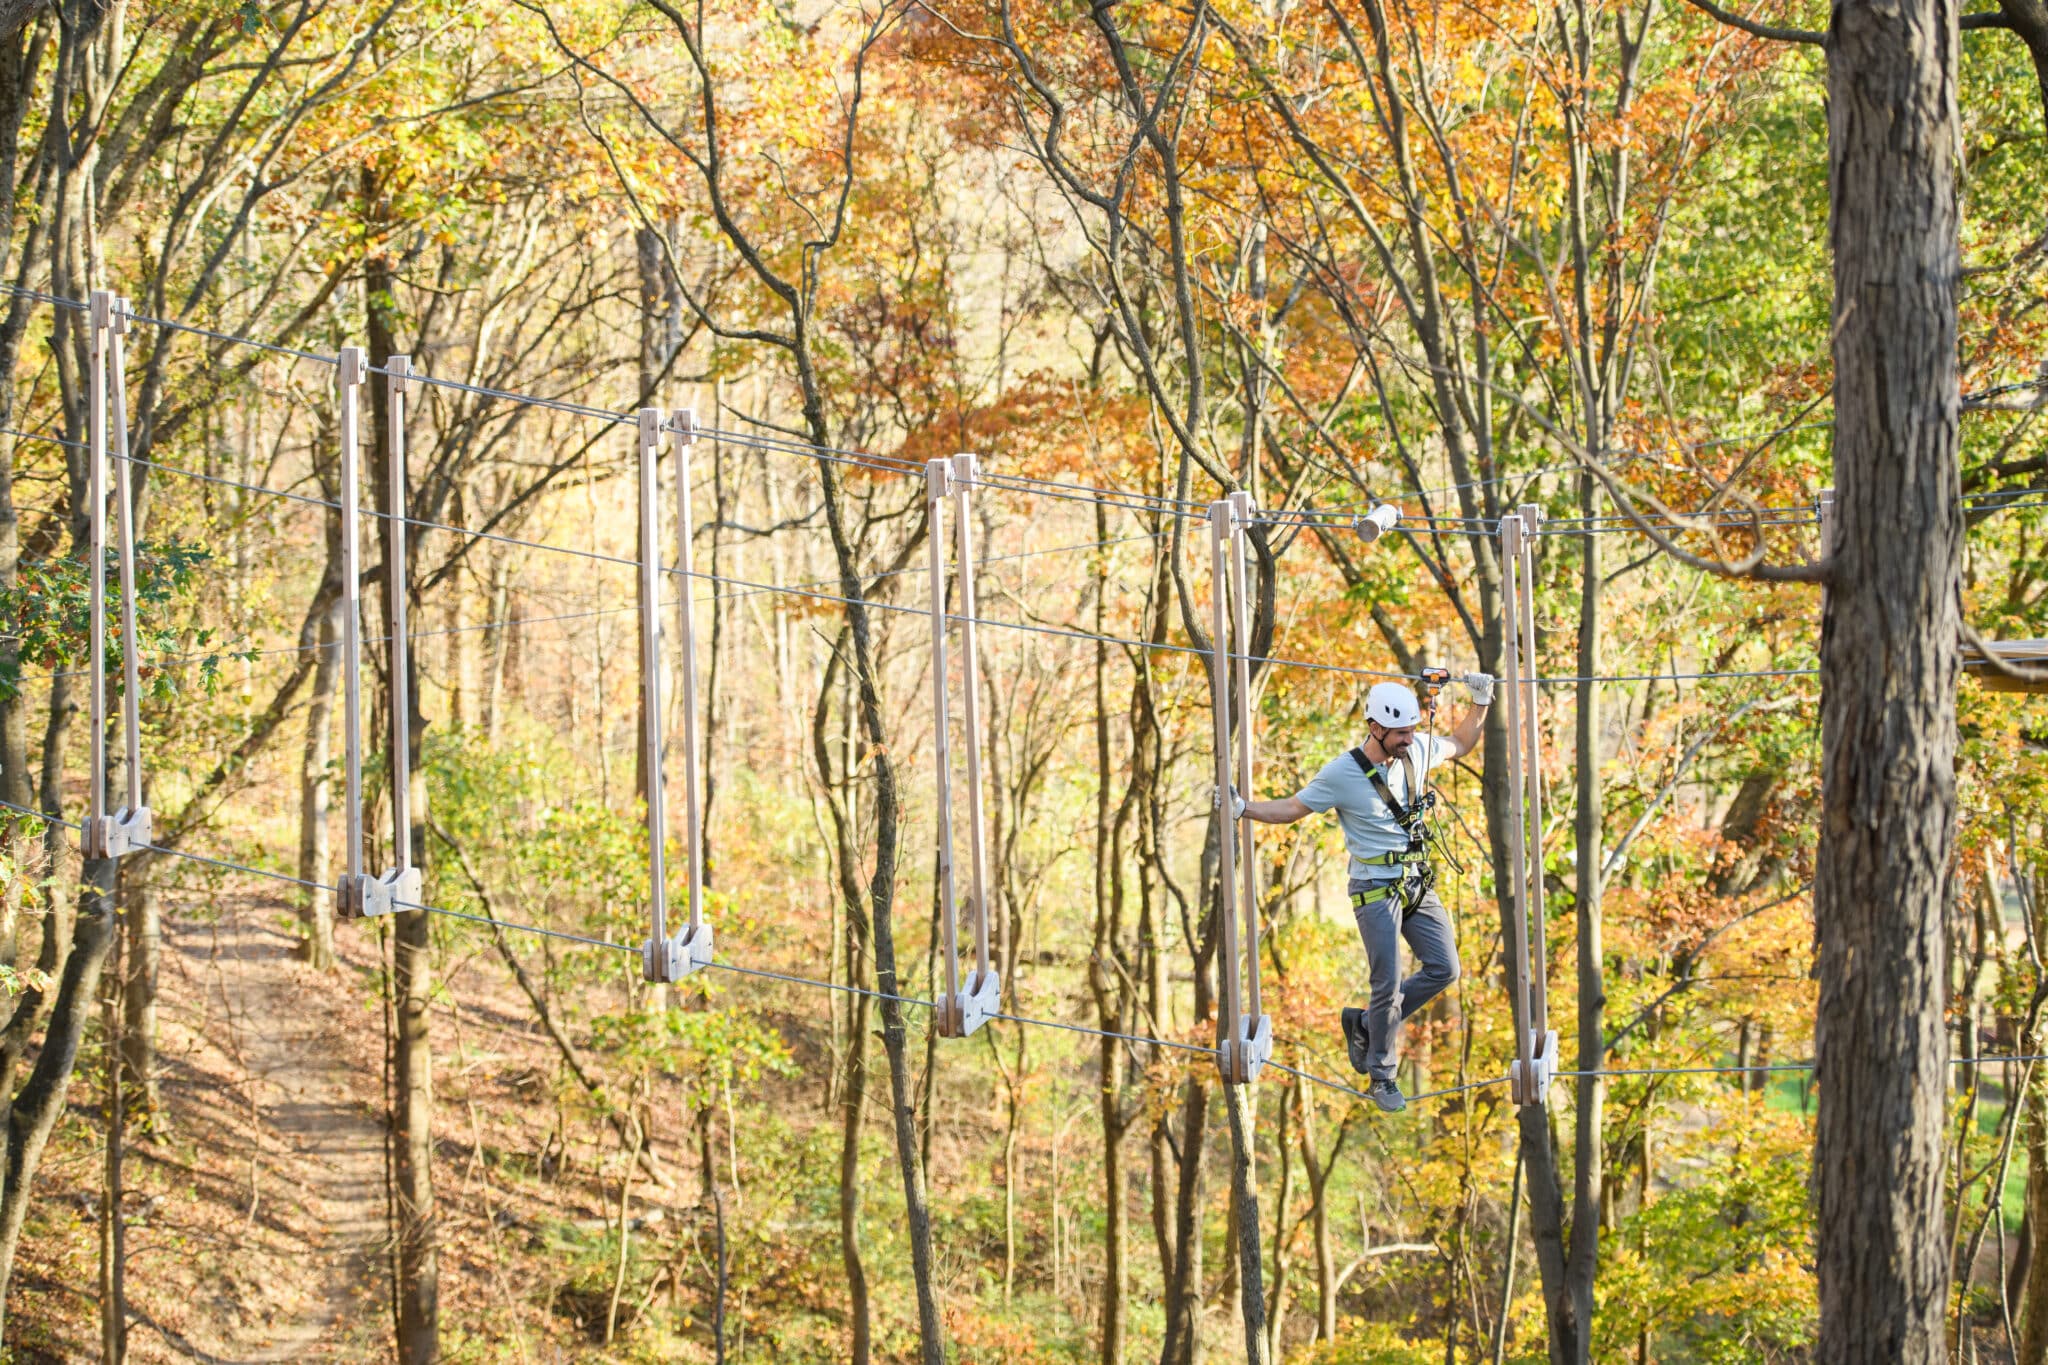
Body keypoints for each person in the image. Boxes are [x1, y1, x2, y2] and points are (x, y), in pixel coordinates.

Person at [1232, 674, 1492, 1112]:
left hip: (1414, 882)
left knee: (1446, 968)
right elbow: (1294, 809)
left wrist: (1481, 703)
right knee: (1386, 982)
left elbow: (1461, 743)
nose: (1410, 739)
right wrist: (1245, 810)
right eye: (1401, 733)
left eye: (1412, 730)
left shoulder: (1418, 750)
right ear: (1375, 727)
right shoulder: (1342, 773)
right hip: (1374, 888)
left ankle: (1367, 1025)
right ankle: (1382, 1076)